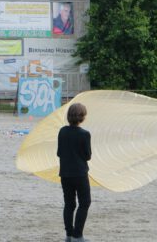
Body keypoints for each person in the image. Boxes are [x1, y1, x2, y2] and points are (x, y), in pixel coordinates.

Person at [57, 103, 91, 242]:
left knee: (69, 204)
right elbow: (88, 156)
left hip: (65, 174)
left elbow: (59, 153)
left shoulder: (62, 131)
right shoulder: (85, 134)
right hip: (80, 174)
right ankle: (78, 236)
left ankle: (69, 235)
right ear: (82, 117)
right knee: (85, 203)